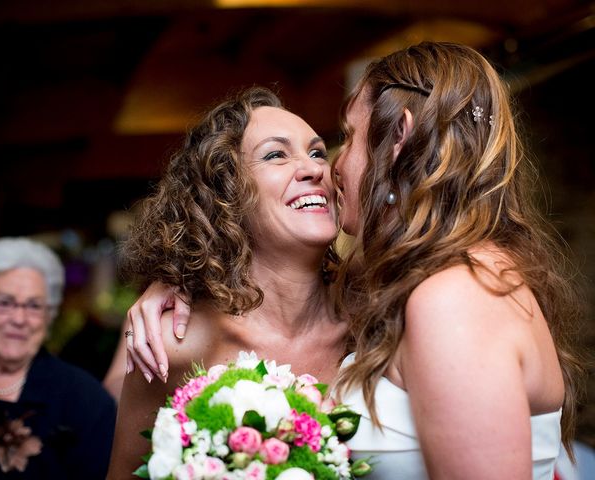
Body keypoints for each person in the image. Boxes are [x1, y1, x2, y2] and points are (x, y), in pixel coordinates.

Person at [126, 43, 585, 479]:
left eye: (339, 141)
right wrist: (177, 280)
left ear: (399, 137)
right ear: (225, 197)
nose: (328, 167)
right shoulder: (406, 290)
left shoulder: (451, 296)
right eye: (275, 155)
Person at [107, 87, 348, 479]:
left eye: (318, 152)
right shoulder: (176, 343)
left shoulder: (375, 317)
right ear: (227, 194)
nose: (314, 168)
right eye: (276, 155)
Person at [0, 236, 117, 479]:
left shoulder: (87, 401)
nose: (19, 319)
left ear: (49, 316)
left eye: (33, 306)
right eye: (4, 303)